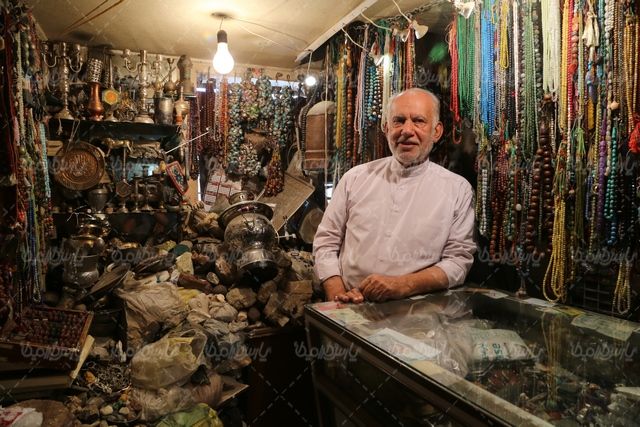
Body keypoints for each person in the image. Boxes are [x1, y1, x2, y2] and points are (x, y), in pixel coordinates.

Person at [313, 88, 476, 303]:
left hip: (418, 315)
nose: (407, 130)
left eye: (418, 121)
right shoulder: (355, 178)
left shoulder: (457, 190)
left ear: (436, 132)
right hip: (348, 308)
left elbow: (457, 262)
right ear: (386, 128)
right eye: (399, 121)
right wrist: (337, 294)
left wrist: (404, 285)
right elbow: (326, 241)